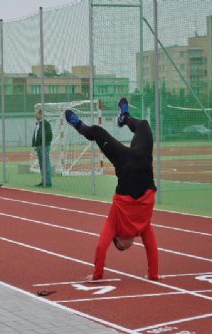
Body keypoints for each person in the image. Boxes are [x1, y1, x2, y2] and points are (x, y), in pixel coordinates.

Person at [65, 98, 159, 281]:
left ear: (119, 241)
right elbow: (152, 248)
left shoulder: (114, 225)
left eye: (124, 248)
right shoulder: (143, 228)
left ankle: (79, 125)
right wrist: (153, 275)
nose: (130, 246)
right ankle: (125, 117)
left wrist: (97, 275)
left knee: (98, 132)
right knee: (144, 125)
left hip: (125, 164)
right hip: (143, 161)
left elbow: (101, 247)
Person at [32, 108, 53, 187]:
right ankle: (43, 180)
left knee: (46, 164)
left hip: (44, 146)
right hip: (39, 146)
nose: (35, 115)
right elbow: (36, 135)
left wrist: (44, 144)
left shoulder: (46, 123)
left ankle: (48, 182)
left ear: (40, 114)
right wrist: (36, 144)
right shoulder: (38, 123)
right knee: (41, 165)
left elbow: (49, 135)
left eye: (36, 114)